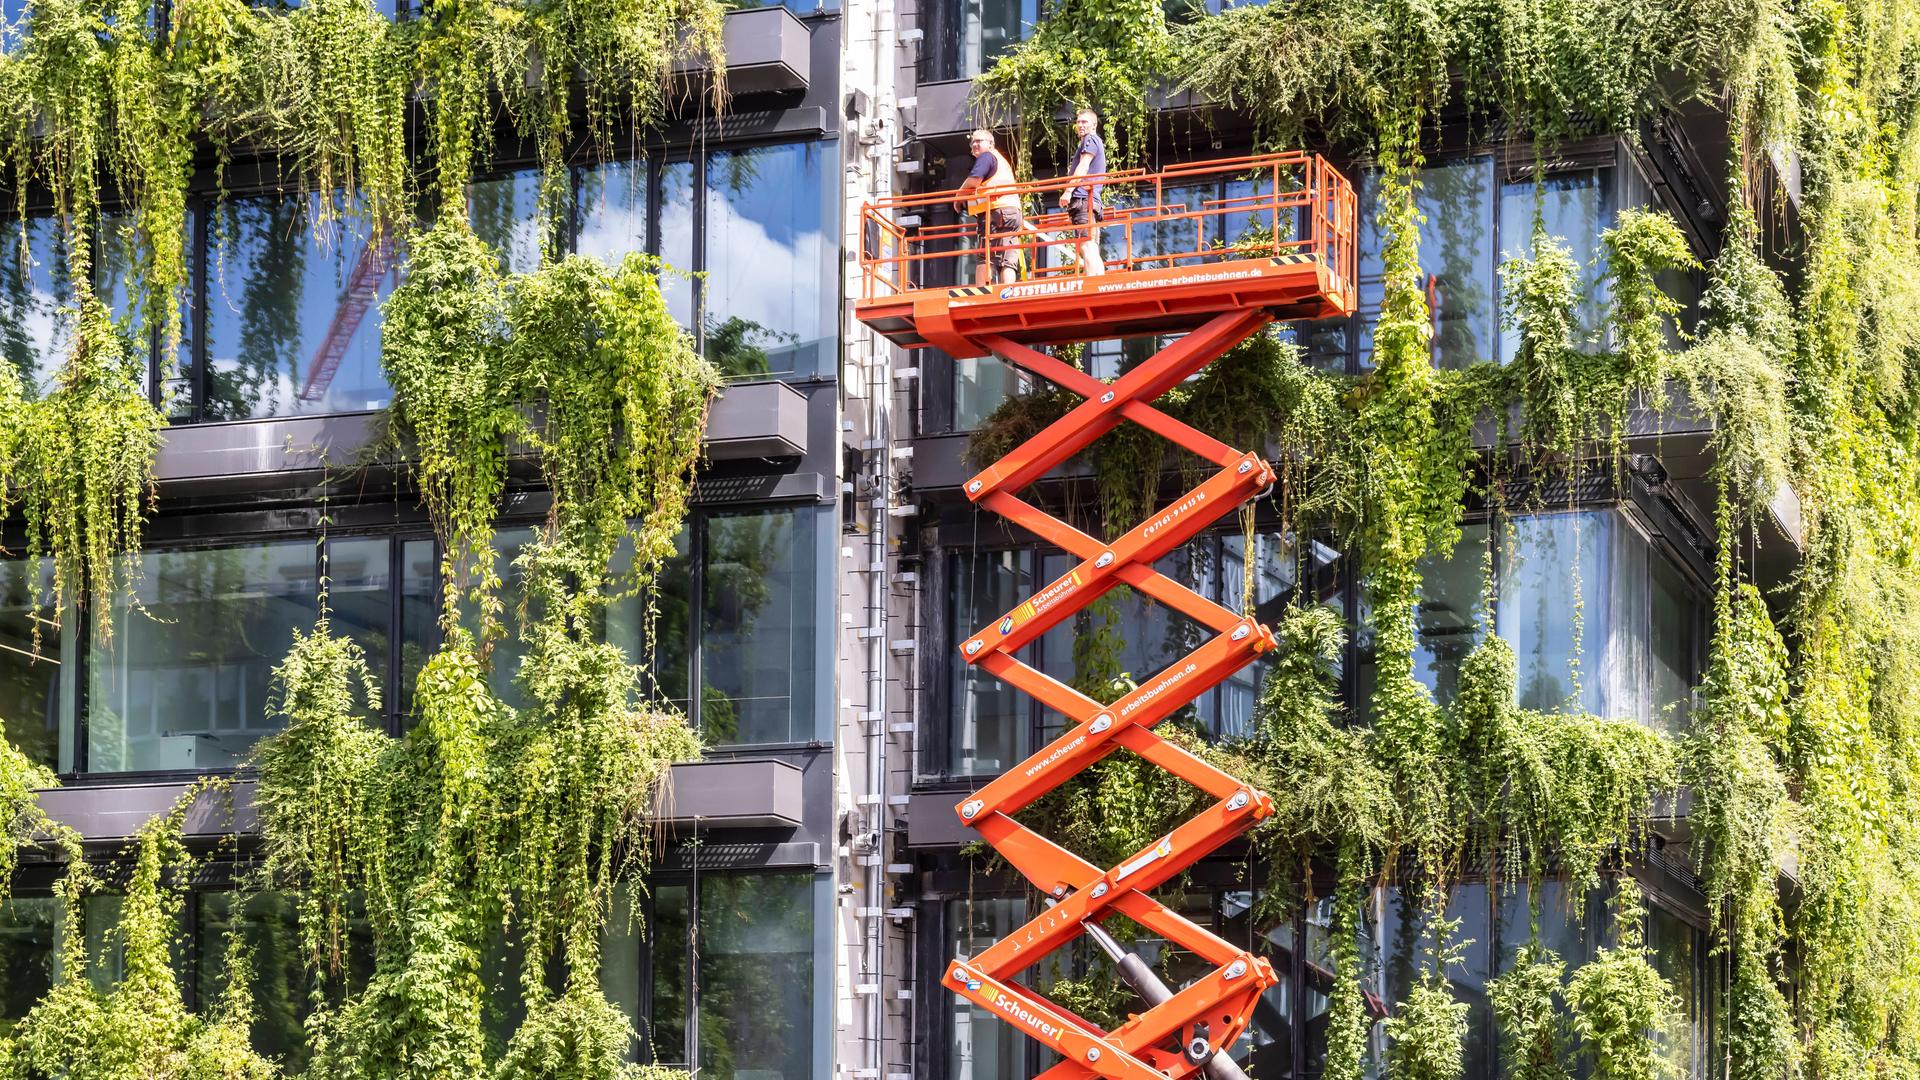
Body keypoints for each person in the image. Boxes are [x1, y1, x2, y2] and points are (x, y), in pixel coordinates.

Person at [955, 128, 1026, 285]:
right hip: (1012, 211)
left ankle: (982, 292)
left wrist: (958, 197)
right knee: (1007, 255)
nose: (974, 144)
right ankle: (1008, 291)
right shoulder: (1000, 160)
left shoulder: (987, 156)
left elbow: (973, 181)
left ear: (991, 144)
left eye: (979, 141)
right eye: (972, 142)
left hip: (996, 210)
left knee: (986, 255)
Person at [1058, 108, 1107, 276]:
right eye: (1078, 122)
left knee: (1087, 245)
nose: (1080, 125)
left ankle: (1094, 285)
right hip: (1090, 200)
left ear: (1094, 124)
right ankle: (1097, 283)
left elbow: (1083, 166)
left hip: (1083, 199)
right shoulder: (1094, 141)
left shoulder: (1090, 139)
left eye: (1084, 121)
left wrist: (1069, 191)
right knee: (1090, 245)